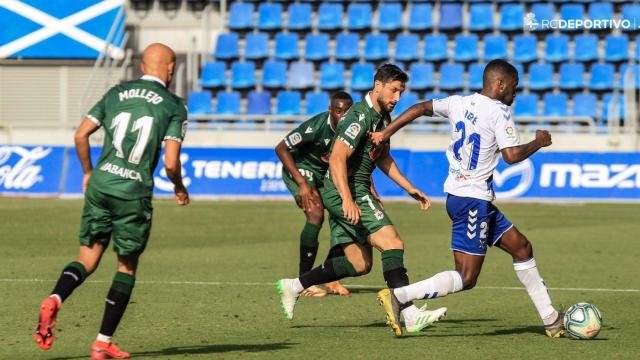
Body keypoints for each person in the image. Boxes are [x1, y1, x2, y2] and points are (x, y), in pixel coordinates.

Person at [371, 59, 564, 338]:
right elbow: (511, 156)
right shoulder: (499, 112)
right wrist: (538, 142)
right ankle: (399, 296)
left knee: (522, 247)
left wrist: (387, 132)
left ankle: (551, 318)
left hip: (465, 197)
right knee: (467, 276)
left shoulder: (459, 102)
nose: (515, 93)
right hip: (472, 200)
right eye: (513, 87)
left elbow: (419, 108)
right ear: (499, 85)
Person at [34, 43, 190, 359]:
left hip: (101, 185)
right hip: (132, 193)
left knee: (87, 258)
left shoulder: (116, 93)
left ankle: (55, 298)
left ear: (142, 65)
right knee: (126, 266)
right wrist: (179, 187)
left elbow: (80, 135)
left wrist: (89, 172)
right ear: (170, 67)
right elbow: (172, 163)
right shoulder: (174, 105)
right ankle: (102, 342)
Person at [277, 64, 447, 336]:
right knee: (392, 243)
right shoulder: (359, 116)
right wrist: (346, 198)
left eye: (401, 92)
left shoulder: (382, 118)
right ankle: (410, 313)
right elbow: (336, 158)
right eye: (393, 91)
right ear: (377, 85)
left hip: (351, 190)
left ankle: (294, 286)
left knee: (359, 265)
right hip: (348, 189)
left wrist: (409, 187)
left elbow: (382, 158)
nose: (397, 98)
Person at [275, 91, 353, 297]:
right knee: (316, 214)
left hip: (327, 174)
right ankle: (303, 281)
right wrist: (301, 183)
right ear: (331, 111)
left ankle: (330, 276)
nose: (343, 116)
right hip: (302, 169)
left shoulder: (353, 129)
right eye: (338, 111)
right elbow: (281, 148)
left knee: (345, 216)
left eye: (347, 111)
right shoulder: (315, 126)